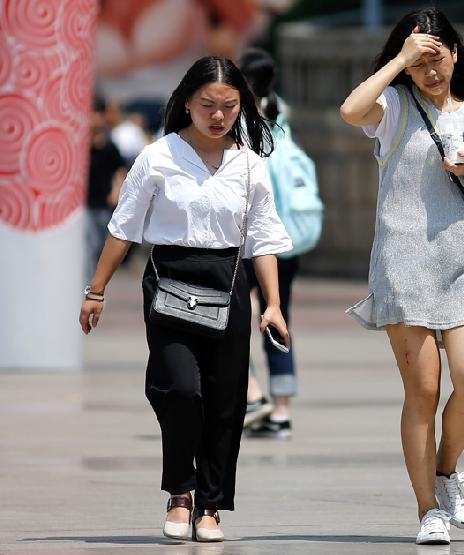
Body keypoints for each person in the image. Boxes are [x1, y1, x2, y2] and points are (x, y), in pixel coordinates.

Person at [78, 55, 292, 543]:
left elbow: (263, 239)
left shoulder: (251, 164)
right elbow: (124, 228)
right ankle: (180, 491)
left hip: (230, 282)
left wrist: (274, 305)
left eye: (229, 106)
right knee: (180, 390)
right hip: (170, 279)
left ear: (242, 106)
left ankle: (211, 506)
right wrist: (96, 291)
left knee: (226, 401)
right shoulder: (158, 156)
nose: (218, 115)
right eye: (207, 104)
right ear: (187, 103)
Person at [339, 8, 464, 545]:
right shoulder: (393, 104)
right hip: (405, 261)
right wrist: (399, 61)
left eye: (436, 58)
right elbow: (351, 110)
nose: (430, 71)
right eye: (420, 62)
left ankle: (446, 470)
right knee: (422, 389)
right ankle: (426, 511)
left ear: (456, 54)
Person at [238, 47, 300, 439]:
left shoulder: (236, 121)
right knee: (281, 319)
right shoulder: (283, 117)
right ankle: (282, 411)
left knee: (234, 318)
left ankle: (251, 394)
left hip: (250, 240)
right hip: (288, 237)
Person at [86, 96, 127, 280]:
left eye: (96, 114)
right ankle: (87, 285)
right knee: (89, 245)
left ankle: (93, 283)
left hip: (103, 204)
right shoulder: (79, 145)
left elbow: (120, 170)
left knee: (100, 246)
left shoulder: (110, 146)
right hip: (84, 206)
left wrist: (116, 189)